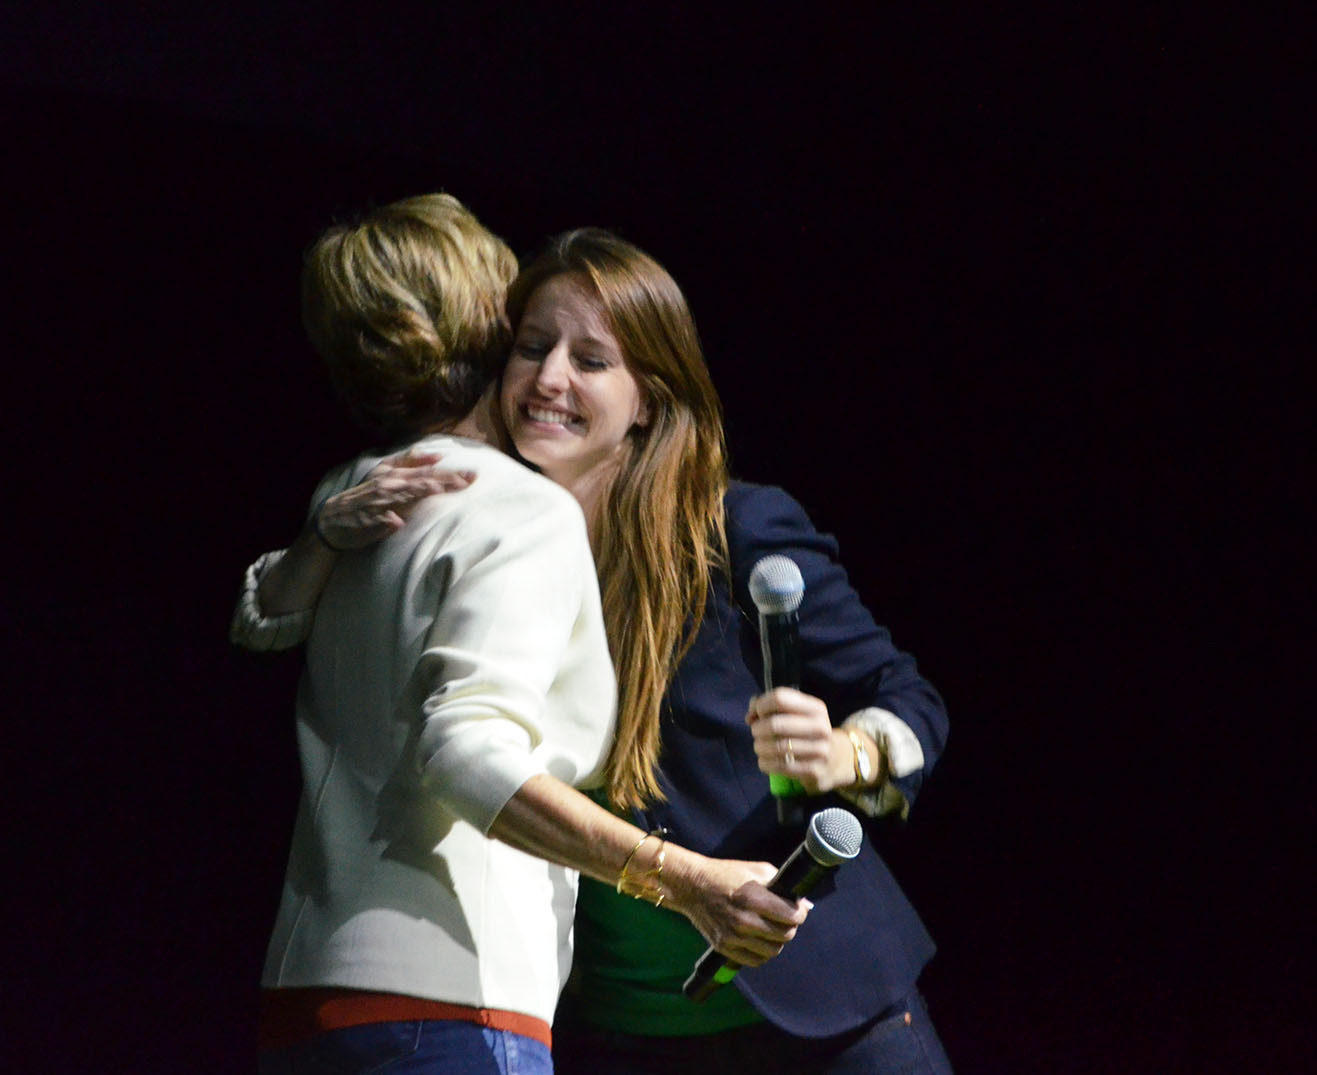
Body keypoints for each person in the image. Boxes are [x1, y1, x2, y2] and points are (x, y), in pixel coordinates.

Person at [235, 226, 951, 1072]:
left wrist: (851, 749)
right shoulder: (479, 520)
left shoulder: (735, 528)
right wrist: (321, 535)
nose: (549, 379)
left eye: (591, 360)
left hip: (819, 1006)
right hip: (621, 1023)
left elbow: (909, 696)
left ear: (647, 396)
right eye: (532, 348)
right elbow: (270, 617)